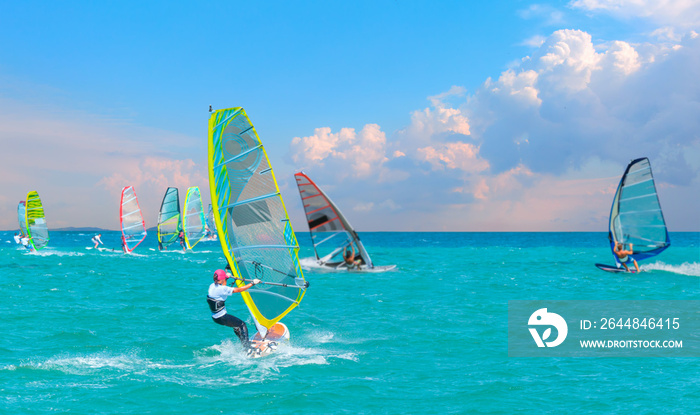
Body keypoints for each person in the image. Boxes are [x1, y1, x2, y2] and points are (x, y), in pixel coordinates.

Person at [207, 269, 260, 348]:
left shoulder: (212, 286)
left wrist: (226, 278)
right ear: (221, 279)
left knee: (236, 327)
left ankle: (244, 344)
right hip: (222, 317)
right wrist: (252, 283)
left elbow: (223, 286)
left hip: (216, 317)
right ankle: (247, 347)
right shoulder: (222, 289)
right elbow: (239, 289)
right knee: (242, 325)